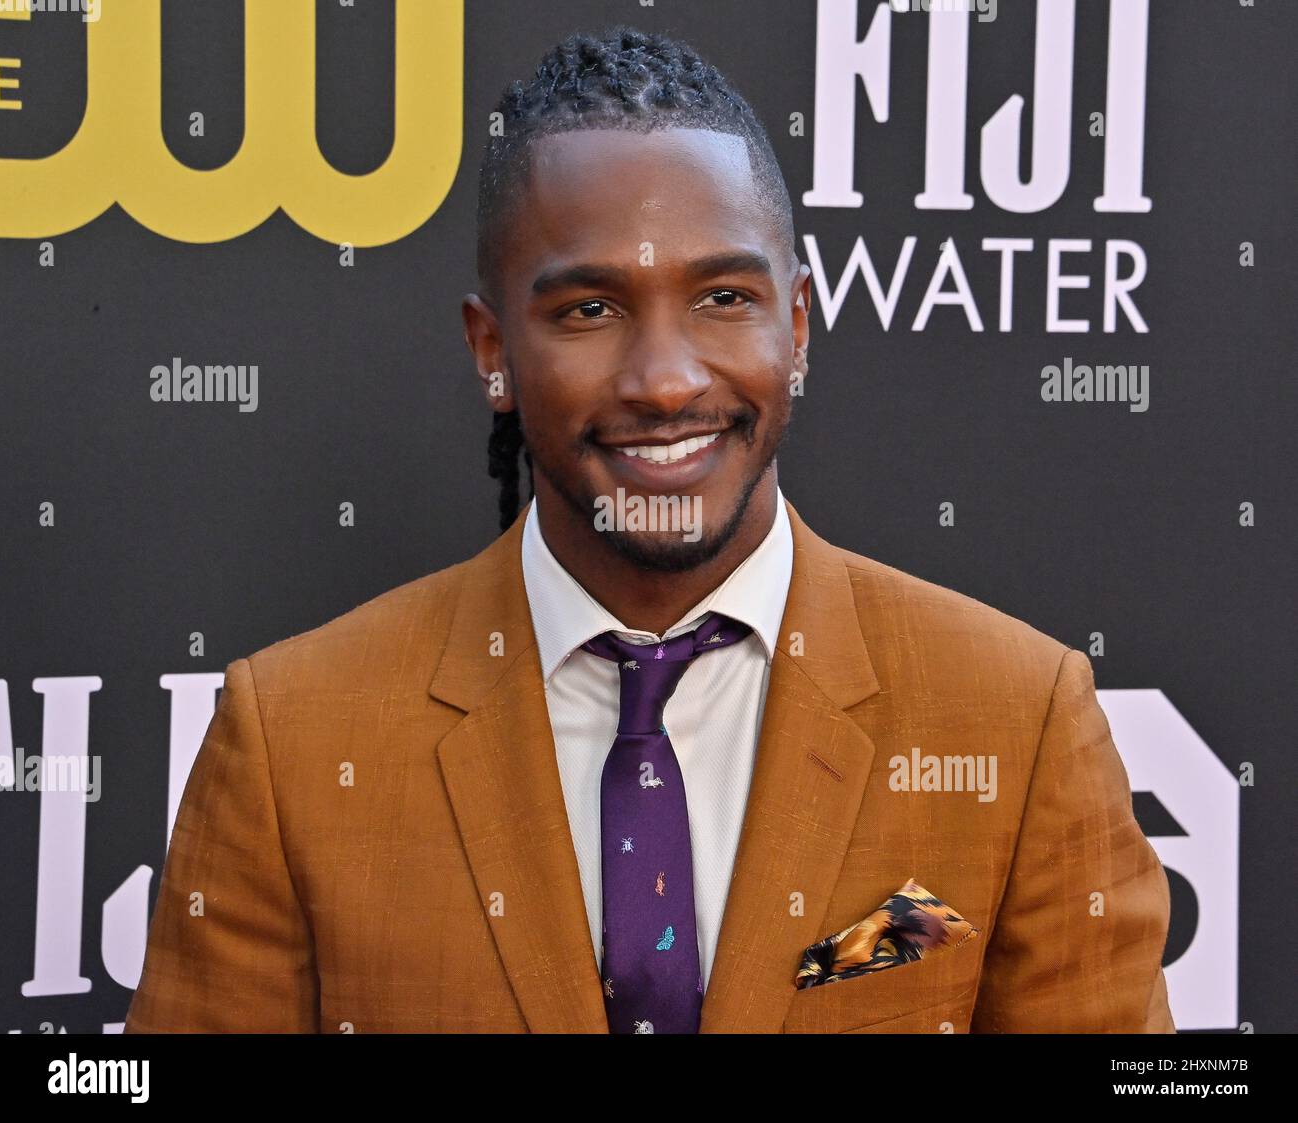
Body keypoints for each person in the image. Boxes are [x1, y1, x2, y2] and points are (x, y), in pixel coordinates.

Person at [125, 25, 1175, 1034]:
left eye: (723, 296)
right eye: (590, 309)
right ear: (492, 350)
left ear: (796, 327)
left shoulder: (1014, 723)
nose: (667, 380)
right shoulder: (293, 746)